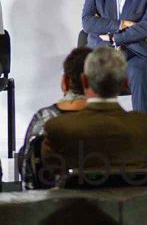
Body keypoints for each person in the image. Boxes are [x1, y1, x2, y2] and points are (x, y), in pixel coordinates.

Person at [42, 47, 147, 176]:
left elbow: (47, 178)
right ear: (125, 83)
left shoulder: (58, 128)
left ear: (85, 81)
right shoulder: (146, 127)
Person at [17, 47, 91, 189]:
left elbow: (30, 182)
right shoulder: (118, 123)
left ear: (65, 82)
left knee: (23, 153)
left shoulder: (44, 120)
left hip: (55, 206)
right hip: (111, 206)